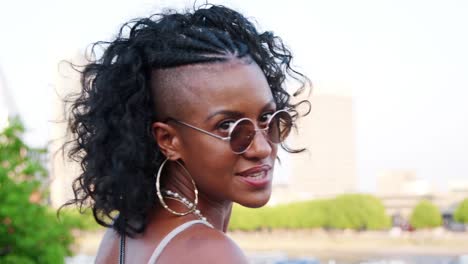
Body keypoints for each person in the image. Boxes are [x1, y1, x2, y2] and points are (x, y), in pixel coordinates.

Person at [64, 4, 310, 263]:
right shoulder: (211, 253)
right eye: (227, 126)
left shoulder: (123, 230)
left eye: (267, 118)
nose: (262, 147)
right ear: (168, 140)